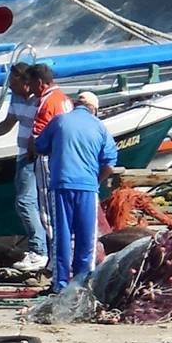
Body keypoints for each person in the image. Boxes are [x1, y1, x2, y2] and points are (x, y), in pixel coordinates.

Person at [34, 91, 117, 292]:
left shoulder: (59, 121)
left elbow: (39, 146)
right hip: (87, 187)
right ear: (94, 109)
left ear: (74, 104)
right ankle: (83, 284)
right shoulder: (99, 127)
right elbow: (110, 163)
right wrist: (96, 180)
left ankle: (60, 285)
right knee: (86, 237)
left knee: (61, 236)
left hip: (61, 185)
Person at [0, 63, 49, 272]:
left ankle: (39, 250)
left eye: (13, 83)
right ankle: (41, 248)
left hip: (36, 156)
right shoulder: (17, 98)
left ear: (26, 83)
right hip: (22, 155)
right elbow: (9, 121)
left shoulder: (41, 99)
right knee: (27, 203)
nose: (9, 88)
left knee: (26, 202)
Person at [26, 63, 74, 274]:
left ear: (39, 82)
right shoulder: (65, 99)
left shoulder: (47, 101)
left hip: (48, 158)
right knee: (64, 209)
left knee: (48, 210)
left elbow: (38, 136)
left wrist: (31, 152)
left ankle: (56, 259)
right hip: (66, 158)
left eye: (32, 84)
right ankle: (66, 255)